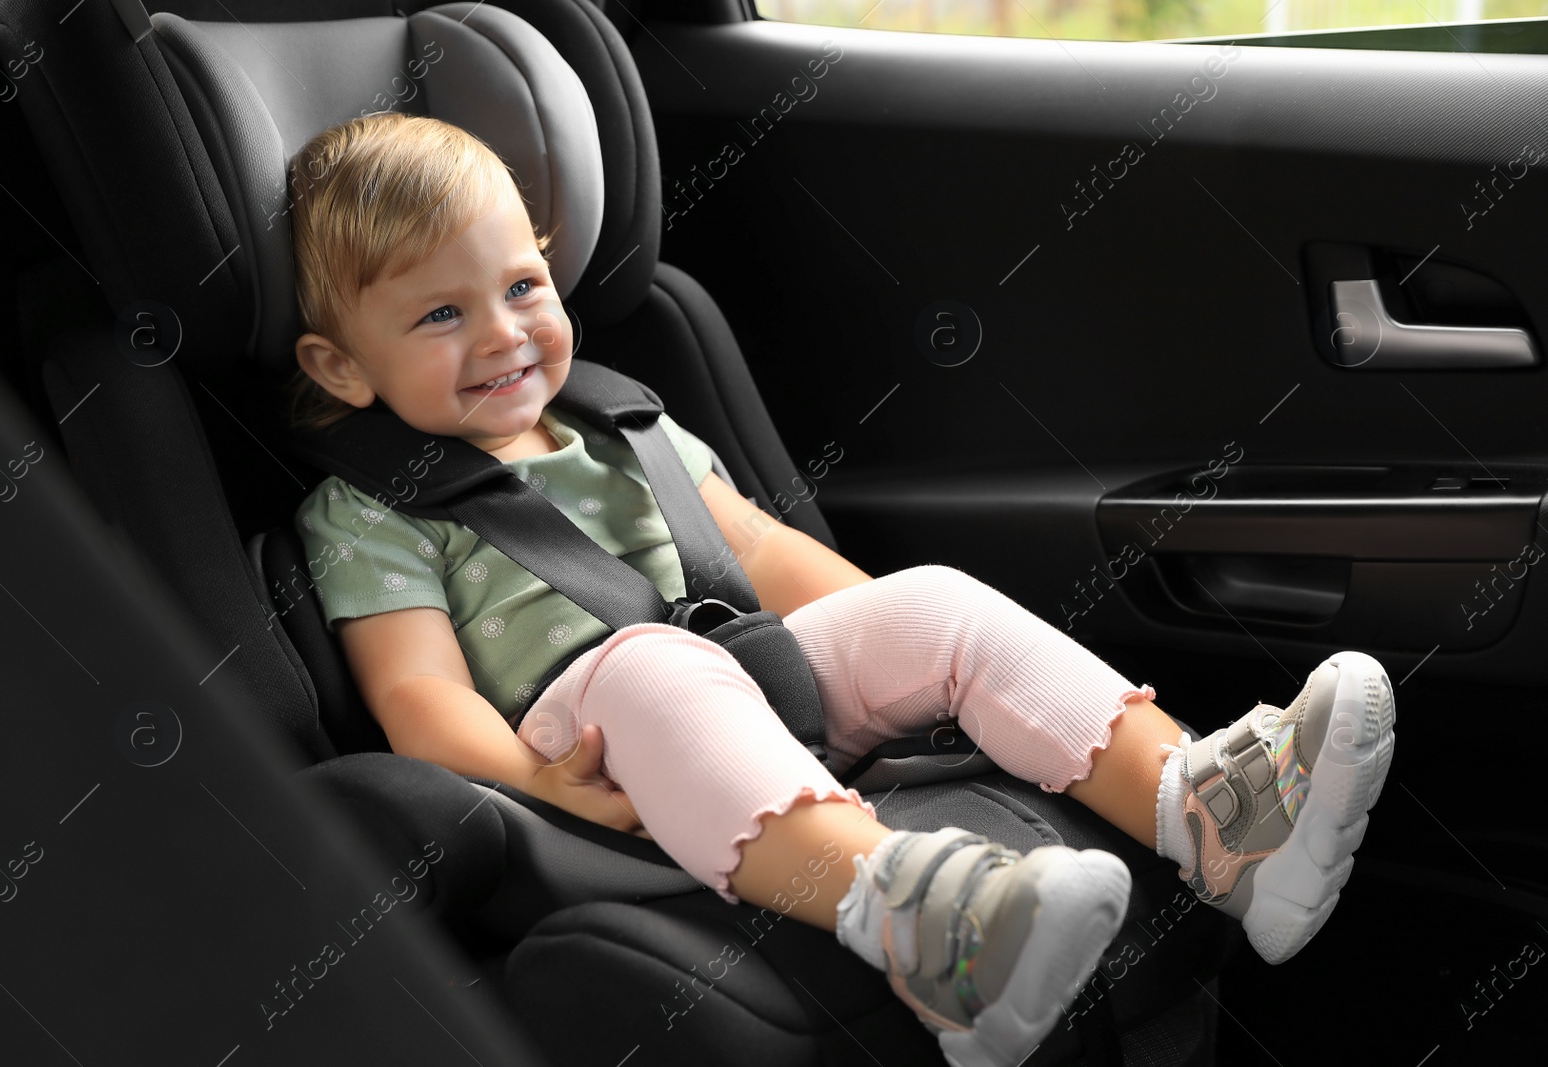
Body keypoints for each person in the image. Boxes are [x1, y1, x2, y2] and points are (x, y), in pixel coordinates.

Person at [283, 113, 1396, 1067]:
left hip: (740, 692)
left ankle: (1215, 815)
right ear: (340, 366)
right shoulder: (372, 509)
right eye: (440, 316)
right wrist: (541, 782)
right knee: (656, 662)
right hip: (582, 757)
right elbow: (419, 698)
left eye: (522, 285)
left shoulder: (621, 420)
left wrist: (897, 662)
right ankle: (926, 927)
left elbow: (766, 558)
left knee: (932, 600)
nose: (502, 334)